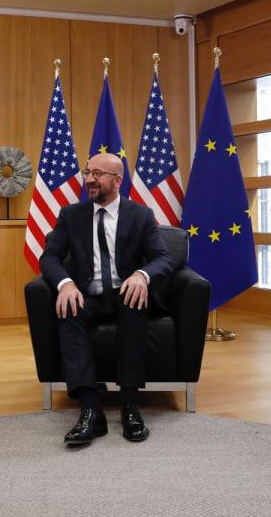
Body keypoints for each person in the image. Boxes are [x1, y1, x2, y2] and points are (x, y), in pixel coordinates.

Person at [39, 152, 173, 446]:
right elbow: (50, 257)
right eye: (87, 172)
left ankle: (130, 405)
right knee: (69, 312)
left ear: (117, 180)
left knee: (135, 303)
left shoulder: (140, 214)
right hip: (89, 296)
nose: (89, 179)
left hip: (124, 292)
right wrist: (65, 284)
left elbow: (162, 258)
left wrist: (141, 275)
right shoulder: (71, 215)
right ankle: (90, 410)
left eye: (97, 174)